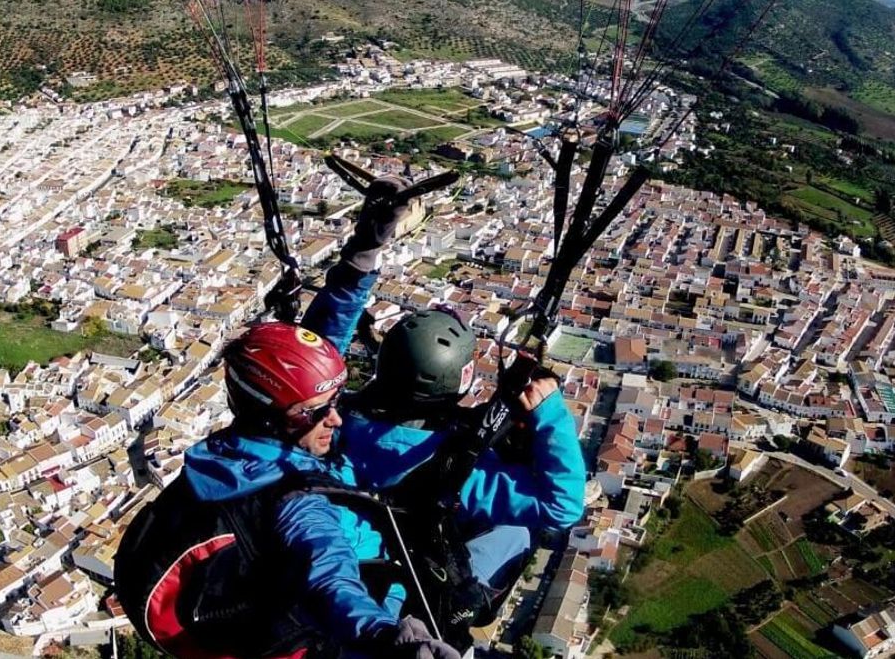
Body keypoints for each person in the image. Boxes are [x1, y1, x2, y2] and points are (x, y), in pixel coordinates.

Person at [301, 178, 587, 633]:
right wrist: (550, 414)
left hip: (360, 555)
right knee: (519, 531)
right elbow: (563, 507)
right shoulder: (461, 469)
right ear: (461, 379)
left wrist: (365, 249)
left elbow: (316, 348)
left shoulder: (334, 420)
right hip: (406, 584)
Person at [172, 321, 461, 659]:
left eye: (336, 399)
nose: (336, 419)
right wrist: (384, 636)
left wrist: (355, 276)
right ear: (271, 415)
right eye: (317, 411)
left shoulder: (225, 454)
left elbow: (308, 361)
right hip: (340, 630)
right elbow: (329, 574)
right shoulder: (294, 498)